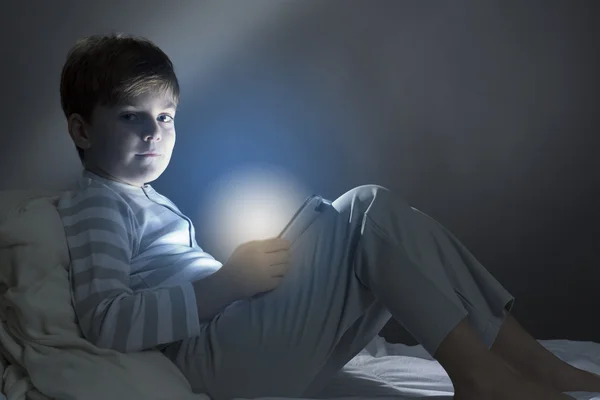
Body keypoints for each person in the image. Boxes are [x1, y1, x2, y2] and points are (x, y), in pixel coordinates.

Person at [56, 33, 600, 400]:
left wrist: (249, 284)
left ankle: (530, 363)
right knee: (367, 206)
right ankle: (484, 374)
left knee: (374, 218)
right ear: (83, 130)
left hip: (238, 345)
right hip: (217, 364)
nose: (154, 133)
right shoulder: (97, 204)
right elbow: (105, 322)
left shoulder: (145, 199)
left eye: (166, 116)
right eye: (132, 117)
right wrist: (226, 286)